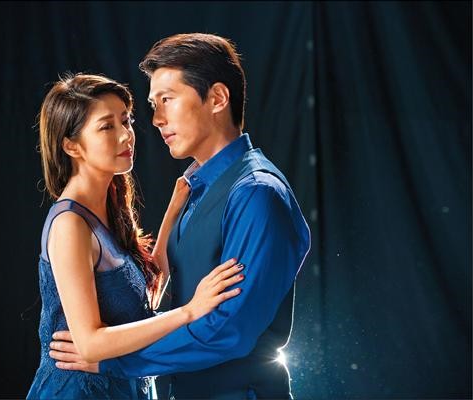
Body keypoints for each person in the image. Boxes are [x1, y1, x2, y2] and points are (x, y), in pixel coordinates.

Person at [49, 33, 312, 399]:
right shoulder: (196, 187)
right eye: (152, 105)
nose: (156, 120)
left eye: (167, 100)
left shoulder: (257, 194)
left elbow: (229, 331)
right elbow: (155, 295)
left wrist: (115, 361)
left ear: (217, 98)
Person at [26, 73, 245, 399]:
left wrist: (175, 209)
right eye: (106, 127)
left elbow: (140, 299)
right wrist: (189, 311)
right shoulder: (70, 224)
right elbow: (89, 344)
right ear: (71, 146)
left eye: (125, 121)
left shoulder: (107, 206)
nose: (126, 135)